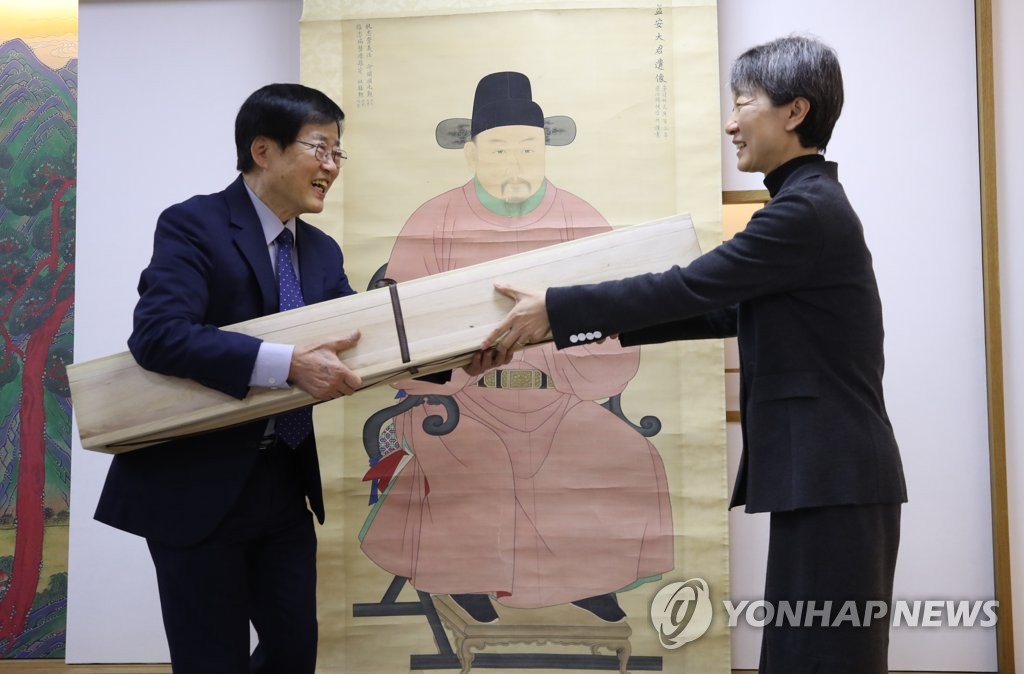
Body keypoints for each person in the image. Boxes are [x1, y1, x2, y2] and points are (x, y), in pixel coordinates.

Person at [485, 38, 908, 673]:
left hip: (835, 475)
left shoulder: (803, 212)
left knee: (821, 656)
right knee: (806, 653)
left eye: (743, 103)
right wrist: (565, 325)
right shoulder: (804, 206)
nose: (731, 124)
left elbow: (689, 286)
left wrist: (560, 308)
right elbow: (721, 310)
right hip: (831, 476)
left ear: (795, 112)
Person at [358, 72, 674, 624]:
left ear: (545, 150)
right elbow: (399, 331)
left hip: (557, 398)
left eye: (527, 149)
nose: (515, 163)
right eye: (499, 149)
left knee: (622, 453)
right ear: (472, 153)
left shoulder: (580, 219)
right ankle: (468, 578)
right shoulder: (433, 221)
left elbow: (615, 319)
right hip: (460, 403)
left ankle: (587, 579)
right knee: (481, 460)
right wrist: (462, 368)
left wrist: (559, 361)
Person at [93, 83, 363, 674]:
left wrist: (456, 355)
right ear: (262, 150)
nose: (331, 166)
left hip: (283, 484)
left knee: (293, 654)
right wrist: (286, 363)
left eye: (338, 152)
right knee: (211, 661)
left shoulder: (322, 252)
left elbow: (360, 341)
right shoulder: (194, 224)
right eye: (320, 148)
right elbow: (159, 334)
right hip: (196, 485)